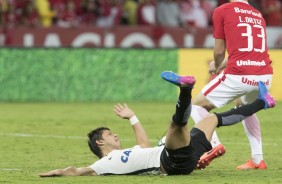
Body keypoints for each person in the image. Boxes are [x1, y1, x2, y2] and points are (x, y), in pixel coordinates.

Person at [39, 71, 275, 177]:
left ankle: (263, 102)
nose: (115, 136)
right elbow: (77, 171)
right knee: (175, 127)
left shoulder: (132, 151)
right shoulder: (102, 165)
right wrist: (58, 172)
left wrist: (132, 117)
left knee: (212, 118)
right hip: (170, 162)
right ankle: (186, 90)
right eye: (110, 134)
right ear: (100, 142)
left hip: (181, 157)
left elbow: (143, 142)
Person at [191, 0, 274, 170]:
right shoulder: (257, 14)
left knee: (194, 106)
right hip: (264, 77)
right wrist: (221, 65)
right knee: (244, 106)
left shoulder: (223, 10)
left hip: (240, 75)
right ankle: (258, 160)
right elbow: (247, 52)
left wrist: (216, 64)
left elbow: (220, 51)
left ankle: (213, 144)